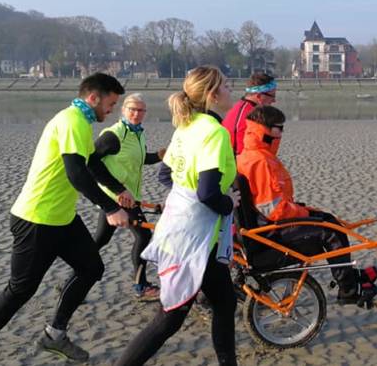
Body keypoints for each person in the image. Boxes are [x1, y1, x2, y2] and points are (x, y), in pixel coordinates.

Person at [0, 73, 131, 366]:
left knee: (91, 267)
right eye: (111, 103)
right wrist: (110, 209)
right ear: (93, 98)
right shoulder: (71, 120)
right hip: (36, 219)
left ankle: (55, 333)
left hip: (62, 219)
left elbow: (92, 164)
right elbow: (76, 173)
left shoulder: (81, 123)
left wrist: (118, 189)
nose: (111, 110)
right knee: (20, 290)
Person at [115, 66, 241, 366]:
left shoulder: (186, 125)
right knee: (170, 317)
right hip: (194, 236)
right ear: (212, 94)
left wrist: (187, 194)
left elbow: (166, 174)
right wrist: (229, 202)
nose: (230, 90)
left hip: (182, 226)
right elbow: (208, 193)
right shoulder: (214, 132)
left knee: (225, 301)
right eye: (225, 85)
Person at [236, 105, 377, 308]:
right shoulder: (261, 161)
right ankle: (348, 288)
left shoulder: (250, 154)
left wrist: (308, 211)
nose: (282, 133)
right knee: (330, 232)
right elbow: (273, 209)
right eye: (280, 129)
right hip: (270, 233)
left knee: (329, 220)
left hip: (266, 224)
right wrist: (304, 212)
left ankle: (349, 279)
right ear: (266, 130)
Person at [88, 93, 166, 301]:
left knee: (100, 240)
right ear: (123, 110)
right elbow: (90, 162)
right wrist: (117, 189)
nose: (136, 114)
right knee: (143, 236)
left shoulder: (137, 134)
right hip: (118, 198)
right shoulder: (114, 134)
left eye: (141, 110)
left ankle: (74, 276)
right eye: (132, 109)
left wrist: (157, 156)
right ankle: (141, 286)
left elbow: (136, 160)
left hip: (127, 197)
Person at [222, 71, 277, 155]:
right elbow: (239, 151)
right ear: (259, 96)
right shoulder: (246, 114)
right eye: (272, 96)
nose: (274, 100)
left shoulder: (249, 109)